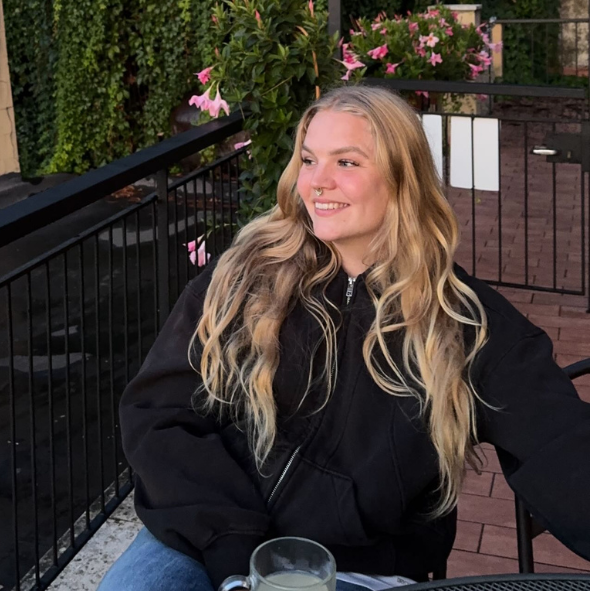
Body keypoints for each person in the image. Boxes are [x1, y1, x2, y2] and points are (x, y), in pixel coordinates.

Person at [98, 86, 589, 591]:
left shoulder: (466, 324)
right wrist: (230, 542)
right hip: (203, 535)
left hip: (357, 567)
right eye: (309, 159)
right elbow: (158, 411)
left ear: (403, 178)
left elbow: (563, 449)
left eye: (347, 162)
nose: (317, 181)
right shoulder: (245, 276)